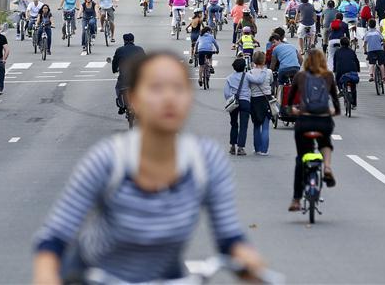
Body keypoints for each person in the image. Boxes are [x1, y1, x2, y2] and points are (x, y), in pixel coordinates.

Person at [32, 51, 266, 283]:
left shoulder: (206, 160)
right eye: (156, 88)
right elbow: (54, 237)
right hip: (94, 274)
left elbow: (229, 236)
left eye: (178, 89)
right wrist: (46, 276)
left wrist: (248, 259)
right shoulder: (108, 159)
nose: (169, 98)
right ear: (134, 99)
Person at [288, 49, 340, 212]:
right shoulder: (328, 76)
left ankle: (296, 199)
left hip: (305, 121)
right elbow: (336, 103)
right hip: (323, 121)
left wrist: (294, 111)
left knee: (301, 158)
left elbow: (289, 103)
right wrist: (333, 112)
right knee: (325, 142)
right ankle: (327, 167)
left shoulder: (300, 76)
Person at [246, 51, 274, 156]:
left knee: (256, 125)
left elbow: (248, 86)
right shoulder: (269, 72)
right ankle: (264, 150)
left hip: (254, 99)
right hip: (266, 98)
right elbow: (271, 82)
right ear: (264, 60)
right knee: (265, 126)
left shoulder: (249, 73)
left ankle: (257, 148)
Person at [110, 33, 145, 115]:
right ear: (133, 40)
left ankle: (121, 106)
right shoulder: (139, 49)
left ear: (124, 40)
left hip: (124, 77)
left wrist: (114, 70)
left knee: (118, 88)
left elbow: (114, 63)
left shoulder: (119, 50)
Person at [225, 58, 252, 156]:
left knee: (234, 124)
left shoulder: (229, 78)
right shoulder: (248, 76)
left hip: (234, 103)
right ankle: (241, 148)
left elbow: (226, 93)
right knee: (243, 125)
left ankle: (232, 146)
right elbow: (254, 84)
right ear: (244, 67)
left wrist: (231, 98)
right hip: (245, 101)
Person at [333, 36, 361, 109]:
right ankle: (354, 103)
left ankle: (341, 90)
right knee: (353, 87)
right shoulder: (351, 51)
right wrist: (358, 70)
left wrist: (335, 71)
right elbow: (356, 61)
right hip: (352, 70)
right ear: (348, 43)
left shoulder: (337, 51)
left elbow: (335, 63)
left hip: (340, 71)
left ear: (341, 44)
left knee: (337, 80)